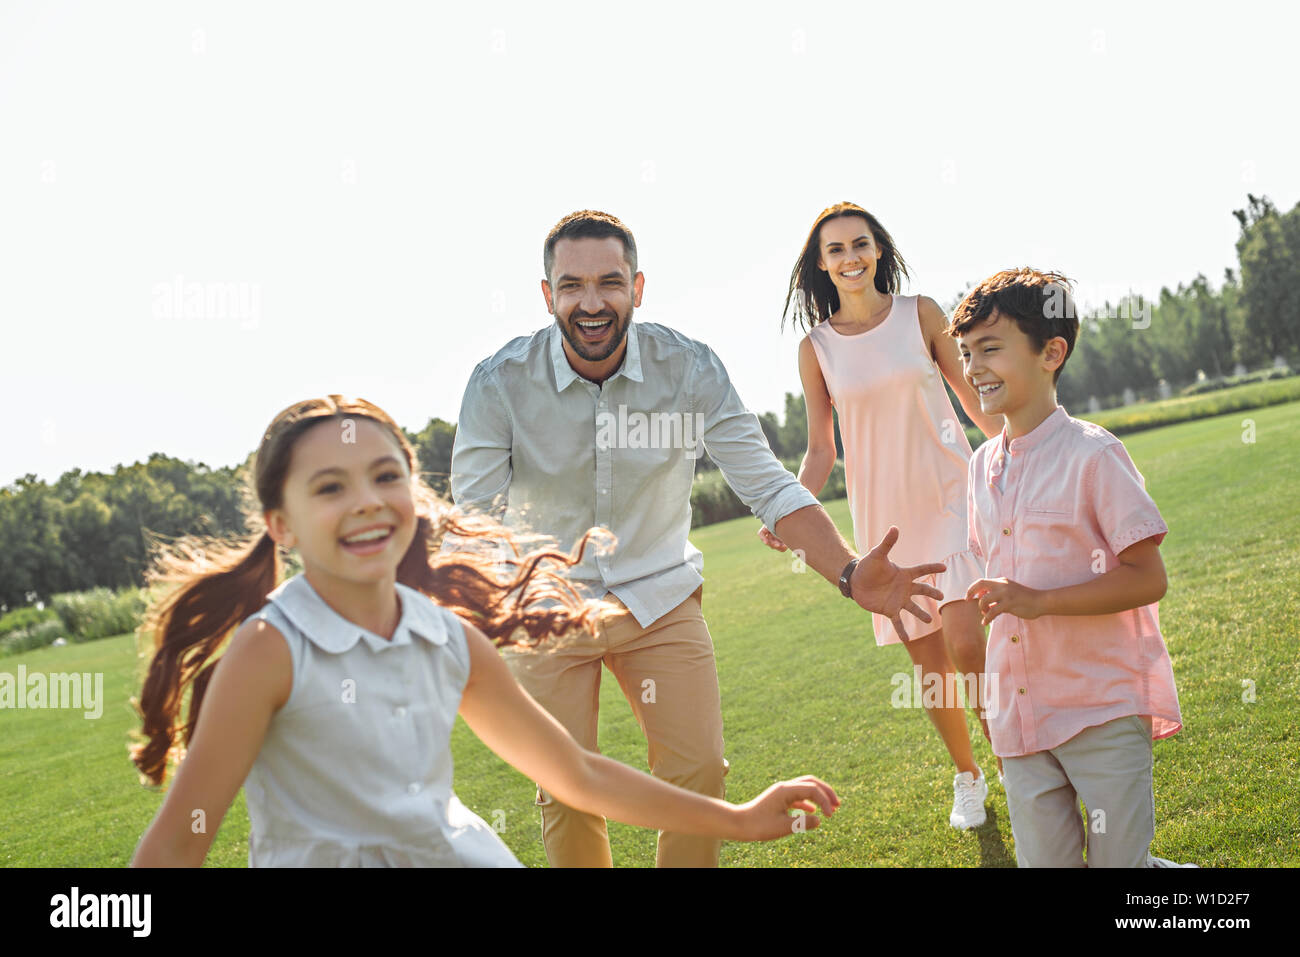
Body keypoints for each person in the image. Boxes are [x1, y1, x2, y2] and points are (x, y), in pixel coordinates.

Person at [129, 395, 841, 867]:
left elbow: (578, 773)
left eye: (386, 475)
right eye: (329, 487)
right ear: (280, 526)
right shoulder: (271, 647)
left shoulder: (445, 638)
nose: (367, 501)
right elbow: (173, 847)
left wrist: (740, 818)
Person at [448, 210, 946, 868]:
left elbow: (767, 486)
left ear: (638, 286)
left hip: (660, 596)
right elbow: (475, 518)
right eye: (571, 286)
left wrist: (849, 573)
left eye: (610, 282)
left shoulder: (687, 367)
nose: (592, 302)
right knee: (567, 791)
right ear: (548, 295)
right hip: (549, 611)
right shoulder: (498, 383)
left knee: (701, 772)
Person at [760, 202, 1004, 829]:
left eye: (860, 244)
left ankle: (1010, 759)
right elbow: (821, 449)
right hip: (887, 523)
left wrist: (1022, 447)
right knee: (927, 662)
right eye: (836, 249)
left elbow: (973, 394)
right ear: (821, 264)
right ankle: (968, 775)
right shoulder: (815, 350)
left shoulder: (919, 314)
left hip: (952, 496)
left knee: (968, 642)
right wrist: (786, 507)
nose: (850, 258)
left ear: (878, 250)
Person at [949, 269, 1189, 867]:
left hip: (1099, 707)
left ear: (1051, 353)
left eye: (991, 349)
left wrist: (1039, 600)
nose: (974, 367)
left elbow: (1147, 577)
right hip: (1021, 717)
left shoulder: (1094, 455)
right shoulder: (980, 468)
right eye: (965, 352)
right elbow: (994, 587)